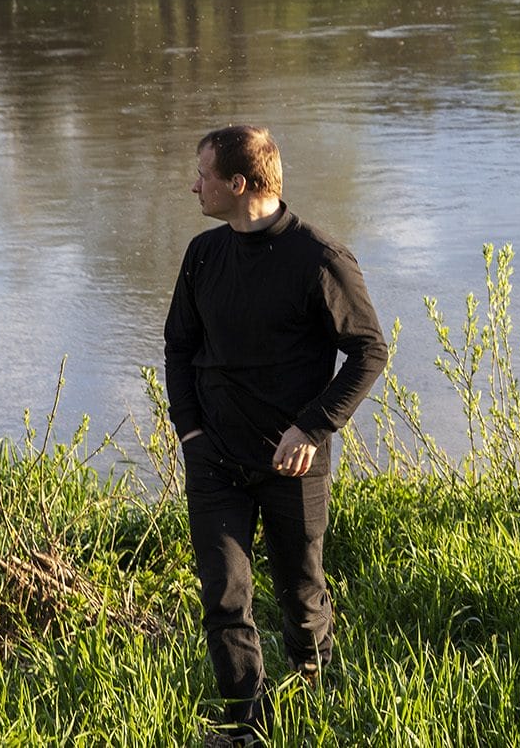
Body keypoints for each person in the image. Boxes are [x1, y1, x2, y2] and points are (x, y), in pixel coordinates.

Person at [163, 125, 388, 743]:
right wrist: (190, 433)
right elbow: (178, 347)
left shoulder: (320, 259)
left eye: (203, 175)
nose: (194, 185)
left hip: (294, 462)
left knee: (300, 589)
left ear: (238, 185)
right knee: (225, 596)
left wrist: (312, 426)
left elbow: (369, 351)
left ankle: (315, 693)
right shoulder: (203, 255)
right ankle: (245, 726)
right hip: (214, 460)